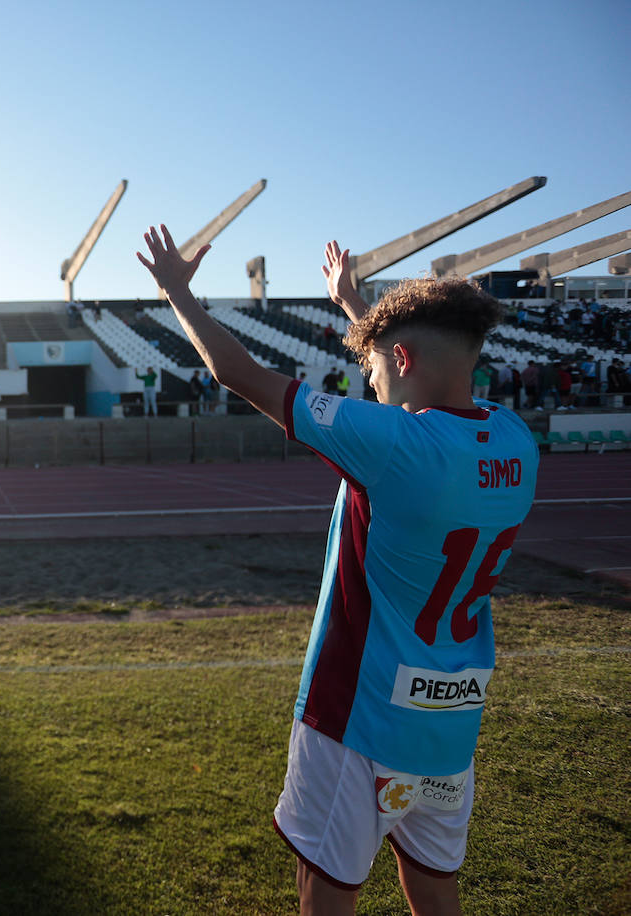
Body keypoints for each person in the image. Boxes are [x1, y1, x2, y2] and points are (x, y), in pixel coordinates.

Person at [138, 229, 536, 916]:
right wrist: (357, 308)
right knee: (436, 887)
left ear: (402, 358)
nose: (370, 383)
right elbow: (411, 378)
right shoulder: (513, 440)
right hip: (448, 723)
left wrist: (176, 290)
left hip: (358, 718)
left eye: (374, 370)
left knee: (327, 891)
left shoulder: (395, 447)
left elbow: (241, 375)